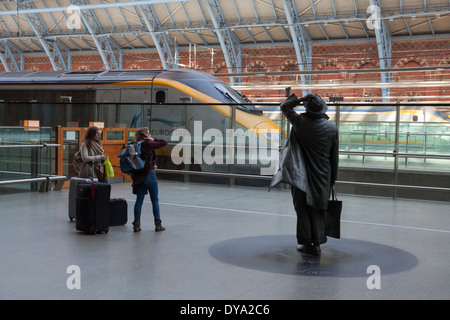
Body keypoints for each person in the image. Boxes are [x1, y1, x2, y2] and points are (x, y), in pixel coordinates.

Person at [270, 93, 339, 255]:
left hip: (299, 173)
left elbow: (284, 106)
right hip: (323, 175)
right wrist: (332, 178)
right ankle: (317, 244)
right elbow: (334, 158)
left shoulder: (300, 122)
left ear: (307, 109)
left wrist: (300, 99)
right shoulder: (332, 128)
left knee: (301, 208)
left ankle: (305, 243)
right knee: (317, 208)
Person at [131, 127, 168, 232]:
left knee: (139, 200)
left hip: (138, 174)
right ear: (145, 135)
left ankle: (137, 225)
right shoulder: (148, 144)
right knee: (154, 199)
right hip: (148, 173)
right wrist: (152, 138)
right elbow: (164, 142)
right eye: (148, 133)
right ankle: (158, 224)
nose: (150, 134)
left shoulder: (135, 144)